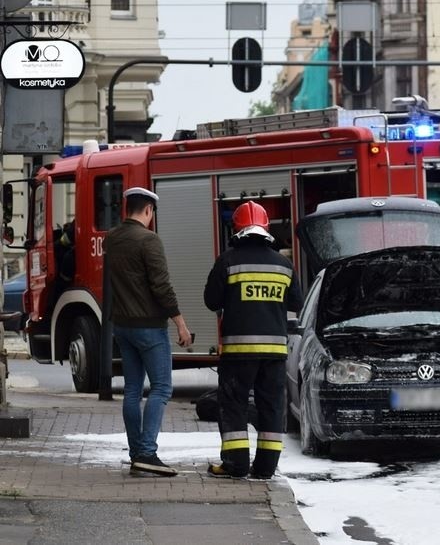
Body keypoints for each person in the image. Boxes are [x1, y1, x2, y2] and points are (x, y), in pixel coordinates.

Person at [204, 201, 303, 480]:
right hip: (274, 353)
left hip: (238, 352)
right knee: (271, 407)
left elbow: (211, 301)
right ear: (266, 228)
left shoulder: (228, 261)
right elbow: (297, 301)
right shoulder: (284, 264)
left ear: (237, 229)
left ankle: (235, 465)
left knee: (234, 406)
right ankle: (266, 468)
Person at [103, 187, 193, 477]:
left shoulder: (112, 239)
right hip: (149, 328)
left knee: (132, 390)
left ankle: (136, 454)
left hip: (123, 326)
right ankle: (146, 452)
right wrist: (180, 322)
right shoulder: (149, 240)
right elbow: (161, 286)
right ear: (148, 211)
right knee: (162, 388)